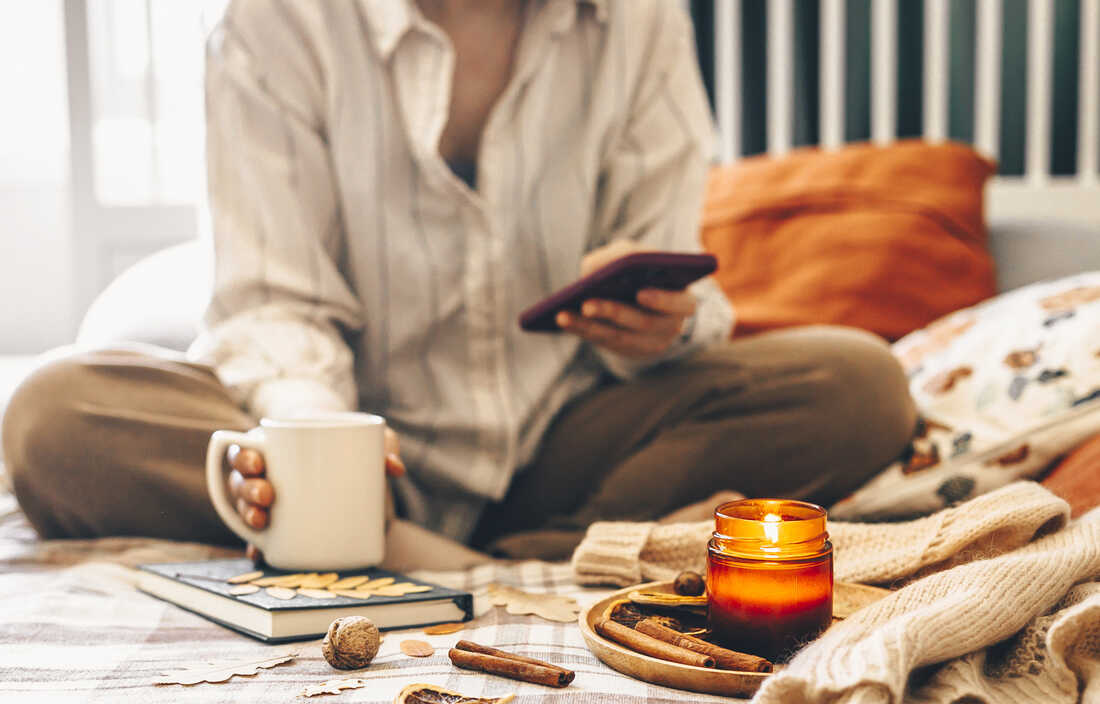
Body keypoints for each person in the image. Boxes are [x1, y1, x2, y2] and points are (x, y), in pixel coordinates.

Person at [2, 0, 915, 566]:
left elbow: (661, 262)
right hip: (353, 434)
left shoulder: (642, 22)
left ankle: (430, 557)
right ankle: (432, 547)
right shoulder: (271, 23)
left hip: (565, 445)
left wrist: (661, 330)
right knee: (54, 417)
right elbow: (275, 305)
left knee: (859, 383)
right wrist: (328, 458)